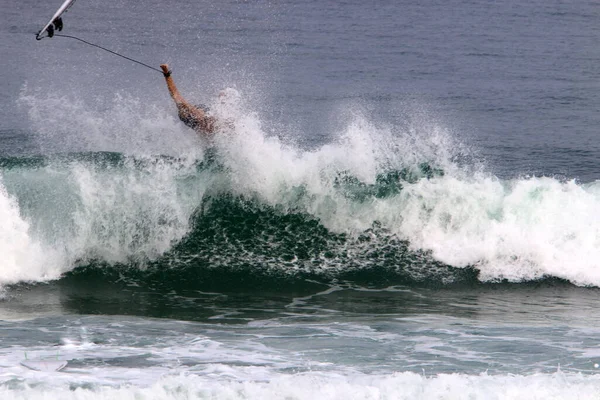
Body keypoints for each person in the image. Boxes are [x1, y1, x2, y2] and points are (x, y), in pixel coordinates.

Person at [160, 64, 216, 136]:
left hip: (199, 115)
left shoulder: (213, 123)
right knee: (181, 104)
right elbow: (176, 96)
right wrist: (167, 74)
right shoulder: (194, 115)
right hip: (194, 116)